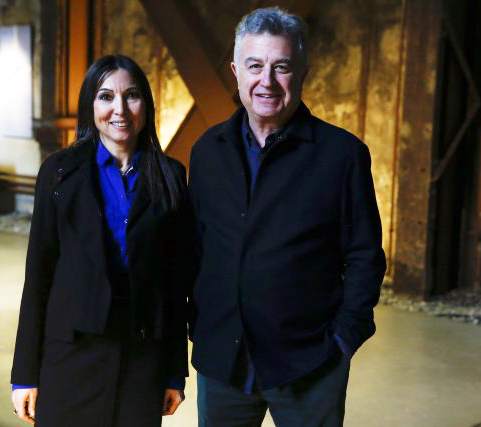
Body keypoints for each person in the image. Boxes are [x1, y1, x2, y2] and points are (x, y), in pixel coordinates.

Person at [188, 7, 387, 427]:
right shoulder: (207, 151)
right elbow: (195, 248)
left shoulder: (342, 155)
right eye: (255, 66)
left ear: (302, 73)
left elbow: (365, 255)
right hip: (224, 361)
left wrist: (343, 339)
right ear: (236, 72)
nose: (267, 80)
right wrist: (197, 325)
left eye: (281, 67)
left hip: (309, 365)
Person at [10, 54, 190, 426]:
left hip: (141, 359)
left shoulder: (170, 176)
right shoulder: (59, 173)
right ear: (90, 106)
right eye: (106, 96)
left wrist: (175, 372)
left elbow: (174, 285)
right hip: (71, 354)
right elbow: (38, 276)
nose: (119, 109)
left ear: (146, 105)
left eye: (132, 95)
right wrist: (25, 374)